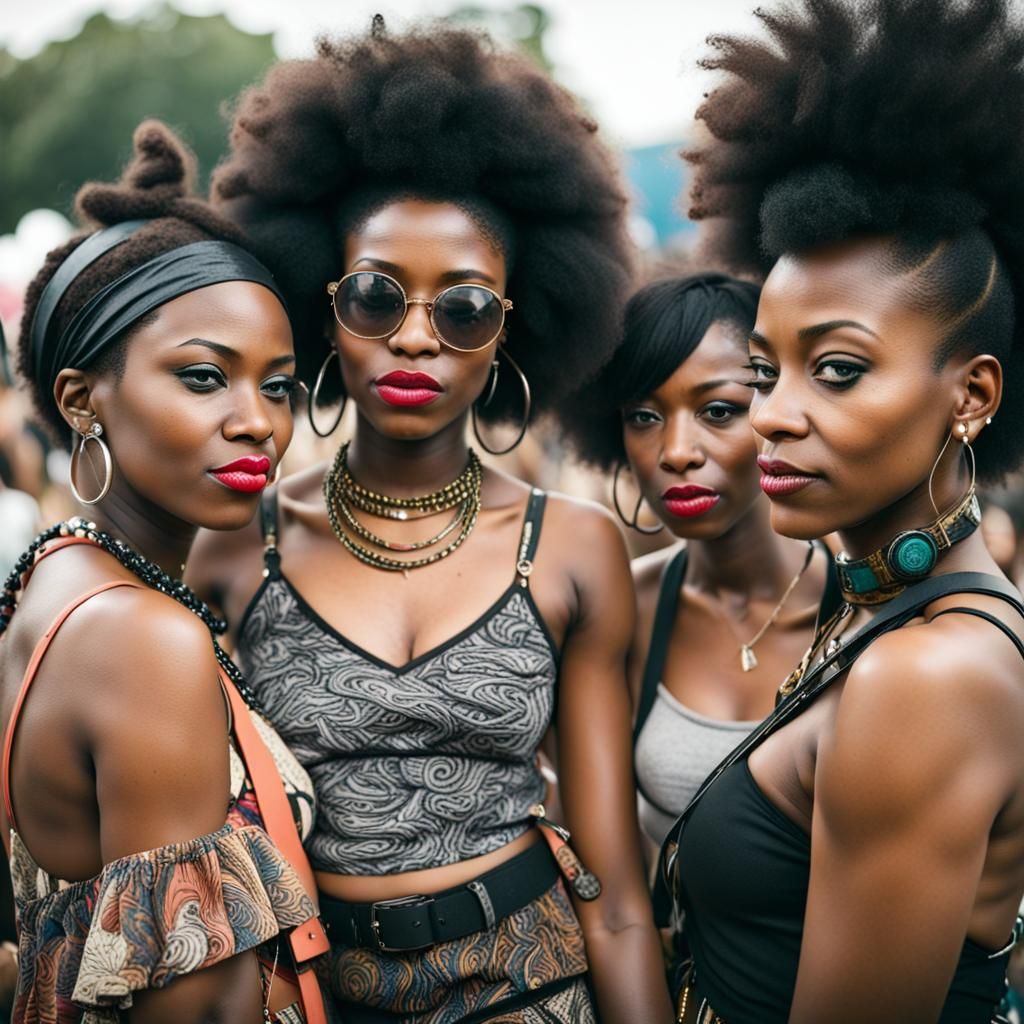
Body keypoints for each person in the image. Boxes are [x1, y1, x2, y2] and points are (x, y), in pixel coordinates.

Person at [188, 19, 673, 1024]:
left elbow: (618, 899)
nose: (414, 333)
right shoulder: (238, 547)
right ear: (323, 311)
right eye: (375, 295)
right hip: (317, 996)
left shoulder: (574, 545)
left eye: (462, 307)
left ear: (509, 330)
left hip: (531, 988)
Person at [659, 1, 1024, 1021]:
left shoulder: (930, 673)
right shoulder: (882, 610)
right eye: (766, 370)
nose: (770, 418)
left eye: (837, 369)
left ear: (972, 395)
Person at [2, 121, 321, 1024]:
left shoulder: (54, 579)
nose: (256, 420)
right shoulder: (143, 635)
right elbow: (199, 1004)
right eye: (203, 378)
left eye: (277, 385)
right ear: (80, 400)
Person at [562, 272, 832, 857]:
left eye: (716, 410)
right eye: (644, 416)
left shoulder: (866, 606)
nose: (677, 452)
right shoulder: (625, 608)